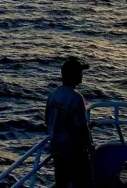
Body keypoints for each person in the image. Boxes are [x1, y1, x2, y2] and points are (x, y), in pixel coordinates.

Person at [45, 57, 95, 188]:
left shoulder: (53, 94)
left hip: (57, 149)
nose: (81, 75)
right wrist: (90, 145)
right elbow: (81, 128)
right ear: (74, 75)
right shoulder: (76, 98)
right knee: (85, 183)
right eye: (79, 72)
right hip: (74, 152)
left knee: (61, 183)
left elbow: (47, 120)